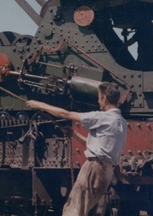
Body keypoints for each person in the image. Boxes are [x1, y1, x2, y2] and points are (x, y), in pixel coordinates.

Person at [27, 82, 127, 216]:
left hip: (94, 167)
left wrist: (39, 105)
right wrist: (74, 134)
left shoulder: (102, 117)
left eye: (99, 97)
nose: (98, 101)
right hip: (106, 172)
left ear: (104, 97)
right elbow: (101, 146)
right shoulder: (121, 122)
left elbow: (66, 114)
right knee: (86, 210)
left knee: (73, 210)